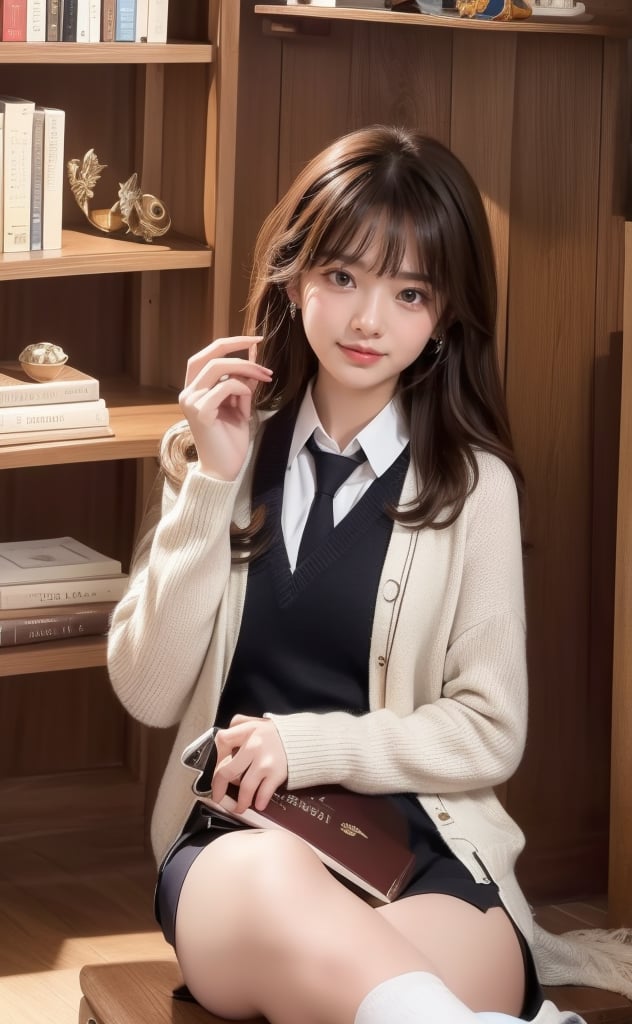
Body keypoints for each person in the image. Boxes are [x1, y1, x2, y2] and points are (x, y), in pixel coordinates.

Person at [107, 125, 599, 1024]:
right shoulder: (216, 451)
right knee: (292, 897)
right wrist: (211, 485)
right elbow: (147, 688)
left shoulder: (474, 485)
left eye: (409, 292)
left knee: (411, 1001)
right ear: (295, 282)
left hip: (426, 852)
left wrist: (312, 747)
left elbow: (490, 730)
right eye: (343, 278)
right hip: (242, 848)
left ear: (445, 316)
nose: (369, 320)